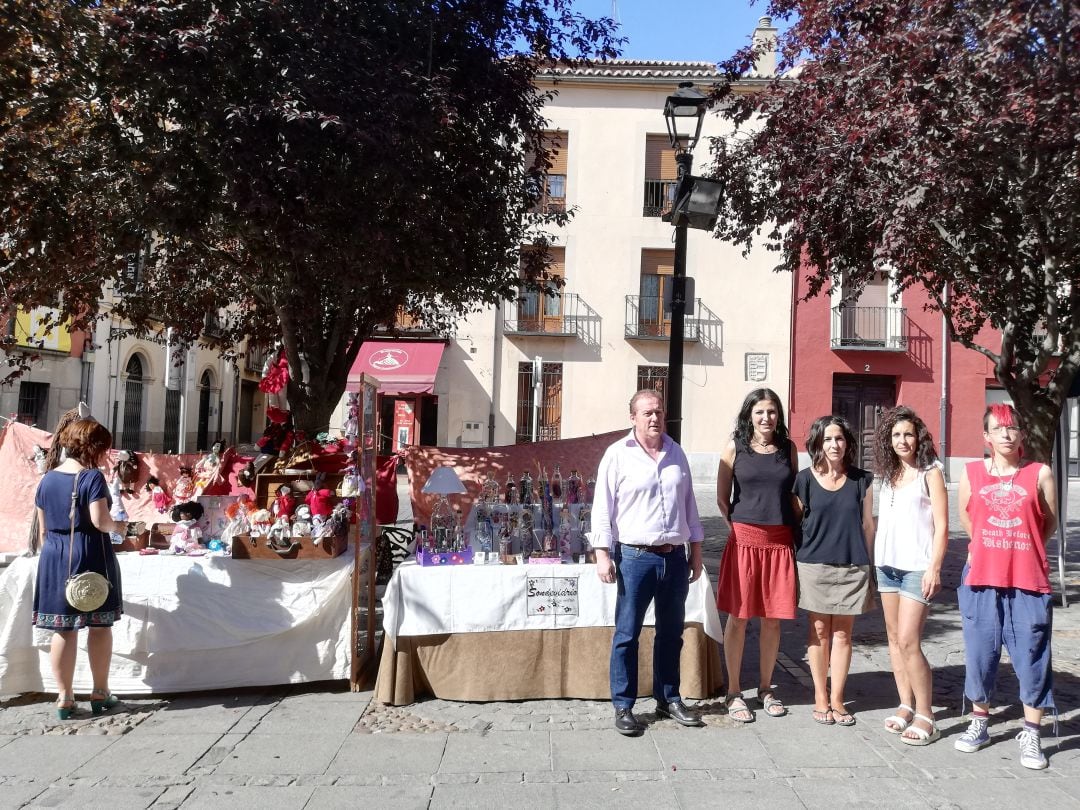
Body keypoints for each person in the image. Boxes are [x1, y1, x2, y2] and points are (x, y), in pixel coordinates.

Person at [590, 389, 706, 736]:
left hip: (673, 560)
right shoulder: (617, 455)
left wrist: (696, 552)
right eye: (647, 413)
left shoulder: (676, 452)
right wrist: (602, 554)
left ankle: (668, 698)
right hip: (634, 558)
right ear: (633, 418)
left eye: (658, 411)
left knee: (671, 634)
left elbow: (690, 506)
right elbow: (602, 508)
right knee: (627, 634)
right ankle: (623, 705)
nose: (654, 418)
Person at [954, 403, 1057, 770]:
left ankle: (1032, 732)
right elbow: (967, 517)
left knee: (1031, 658)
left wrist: (1023, 549)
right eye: (999, 429)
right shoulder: (970, 473)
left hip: (1028, 580)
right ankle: (979, 722)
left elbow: (1048, 522)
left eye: (1013, 427)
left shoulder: (1039, 472)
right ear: (986, 437)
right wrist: (985, 546)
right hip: (982, 578)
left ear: (1022, 434)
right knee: (980, 655)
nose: (1007, 434)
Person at [32, 419, 128, 720]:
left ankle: (65, 698)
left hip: (54, 556)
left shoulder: (46, 479)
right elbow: (100, 521)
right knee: (99, 626)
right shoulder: (92, 478)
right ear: (94, 448)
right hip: (90, 553)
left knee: (63, 629)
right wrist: (121, 527)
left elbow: (43, 529)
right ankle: (100, 692)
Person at [715, 388, 799, 723]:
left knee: (773, 619)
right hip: (744, 541)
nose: (767, 418)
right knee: (738, 618)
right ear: (750, 414)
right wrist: (734, 530)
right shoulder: (734, 448)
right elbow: (723, 499)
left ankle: (766, 688)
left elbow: (793, 497)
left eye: (773, 412)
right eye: (761, 412)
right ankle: (734, 691)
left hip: (779, 542)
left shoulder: (788, 450)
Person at [792, 415, 875, 726]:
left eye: (839, 438)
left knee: (843, 633)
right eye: (827, 439)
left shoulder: (862, 481)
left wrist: (870, 564)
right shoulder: (803, 480)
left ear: (847, 443)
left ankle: (838, 698)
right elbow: (796, 523)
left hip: (853, 564)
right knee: (819, 631)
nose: (834, 444)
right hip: (814, 565)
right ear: (818, 443)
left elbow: (868, 525)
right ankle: (820, 696)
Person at [872, 406, 948, 746]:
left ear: (918, 437)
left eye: (908, 434)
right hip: (887, 565)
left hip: (917, 566)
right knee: (892, 639)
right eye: (896, 435)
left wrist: (935, 566)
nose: (902, 440)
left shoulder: (930, 471)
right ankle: (905, 704)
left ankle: (927, 714)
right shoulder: (887, 474)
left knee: (908, 640)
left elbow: (944, 526)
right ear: (888, 440)